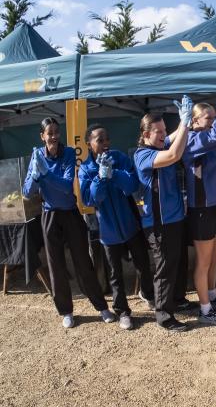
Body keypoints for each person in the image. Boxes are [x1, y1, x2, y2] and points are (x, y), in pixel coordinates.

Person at [22, 117, 114, 329]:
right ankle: (66, 311)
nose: (54, 136)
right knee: (56, 266)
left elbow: (66, 187)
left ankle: (101, 307)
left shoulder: (69, 153)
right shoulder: (37, 155)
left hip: (71, 213)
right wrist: (35, 177)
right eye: (50, 133)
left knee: (83, 261)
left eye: (57, 132)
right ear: (42, 136)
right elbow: (27, 192)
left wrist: (45, 175)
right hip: (49, 215)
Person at [79, 123, 154, 330]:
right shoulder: (85, 169)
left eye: (107, 139)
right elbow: (90, 199)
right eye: (100, 140)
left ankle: (148, 295)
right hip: (108, 231)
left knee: (143, 264)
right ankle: (123, 312)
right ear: (89, 144)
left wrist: (115, 173)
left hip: (130, 224)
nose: (105, 143)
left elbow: (133, 185)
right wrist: (101, 177)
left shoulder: (119, 157)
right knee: (115, 275)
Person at [180, 78, 216, 326]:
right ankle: (205, 310)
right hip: (201, 209)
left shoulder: (212, 137)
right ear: (194, 121)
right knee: (203, 261)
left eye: (214, 117)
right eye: (208, 117)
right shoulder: (191, 140)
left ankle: (212, 295)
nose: (213, 121)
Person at [134, 97, 193, 332]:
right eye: (158, 131)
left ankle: (178, 300)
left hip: (175, 219)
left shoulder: (160, 144)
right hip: (158, 223)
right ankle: (164, 315)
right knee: (165, 269)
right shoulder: (143, 155)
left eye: (164, 130)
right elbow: (174, 155)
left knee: (178, 263)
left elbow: (174, 137)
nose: (163, 135)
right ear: (146, 134)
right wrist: (185, 123)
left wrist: (185, 122)